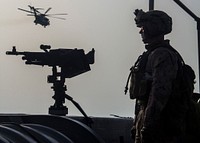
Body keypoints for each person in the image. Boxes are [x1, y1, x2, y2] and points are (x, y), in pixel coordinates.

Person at [127, 9, 193, 143]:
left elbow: (159, 92)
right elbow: (143, 98)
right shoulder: (151, 55)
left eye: (143, 28)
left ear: (152, 28)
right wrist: (137, 124)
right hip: (148, 122)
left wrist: (148, 125)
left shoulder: (162, 55)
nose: (141, 31)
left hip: (161, 127)